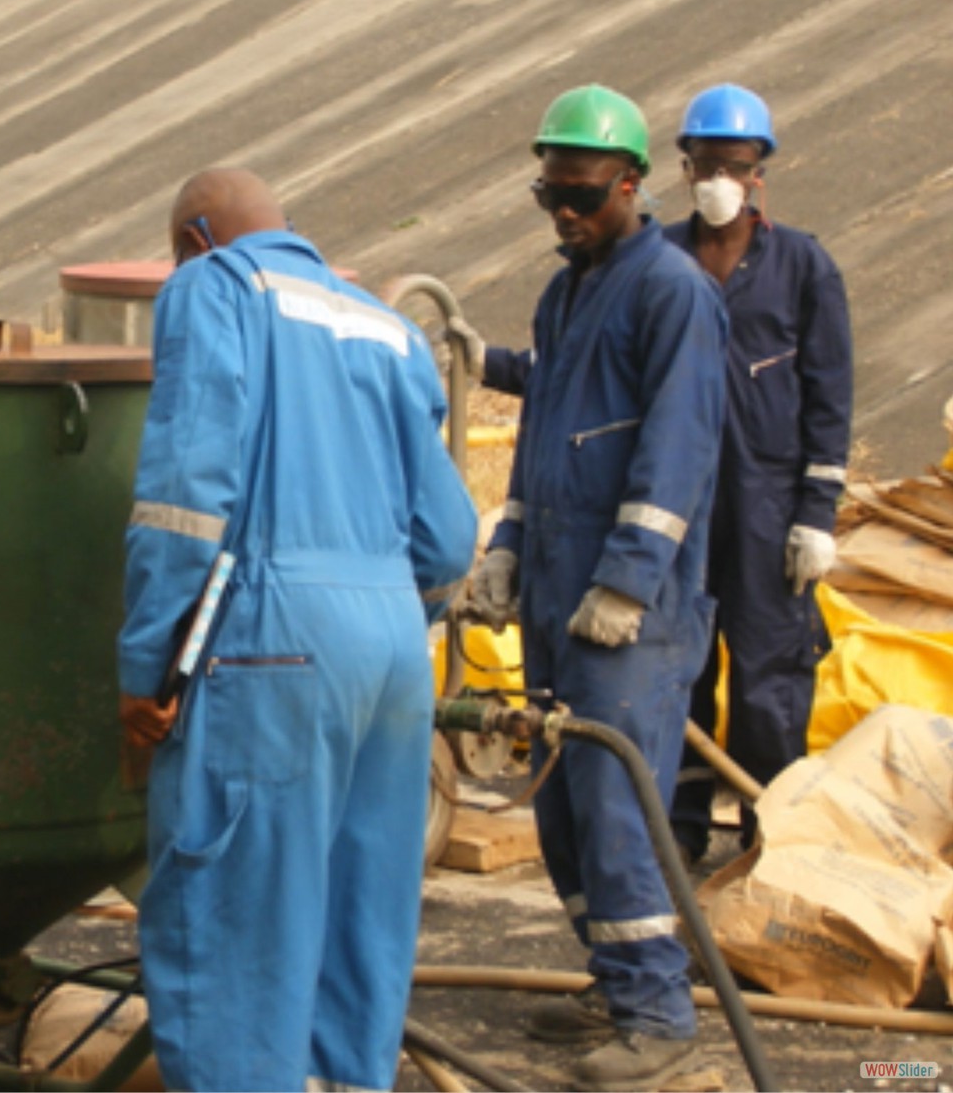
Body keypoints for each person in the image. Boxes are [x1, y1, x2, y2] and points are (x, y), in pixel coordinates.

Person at [117, 167, 476, 1090]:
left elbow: (187, 501)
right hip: (396, 651)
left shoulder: (215, 286)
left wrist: (148, 672)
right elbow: (447, 538)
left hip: (273, 642)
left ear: (197, 237)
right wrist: (384, 612)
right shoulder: (387, 326)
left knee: (236, 921)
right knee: (359, 914)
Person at [469, 85, 726, 1091]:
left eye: (580, 193)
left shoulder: (671, 291)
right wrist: (505, 547)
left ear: (630, 184)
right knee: (565, 815)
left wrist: (624, 583)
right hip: (553, 599)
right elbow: (545, 442)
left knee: (617, 812)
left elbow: (677, 452)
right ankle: (613, 986)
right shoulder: (566, 291)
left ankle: (659, 1016)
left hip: (630, 620)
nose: (563, 211)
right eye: (548, 195)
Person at [664, 84, 852, 865]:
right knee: (681, 671)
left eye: (733, 165)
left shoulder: (803, 266)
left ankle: (769, 842)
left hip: (768, 506)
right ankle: (676, 834)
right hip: (679, 502)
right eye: (705, 164)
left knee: (769, 681)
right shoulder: (661, 260)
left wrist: (818, 512)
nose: (718, 178)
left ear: (759, 173)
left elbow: (830, 393)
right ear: (685, 168)